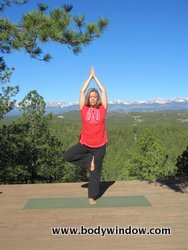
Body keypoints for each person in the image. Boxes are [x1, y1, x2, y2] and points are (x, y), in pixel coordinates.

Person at [63, 67, 108, 205]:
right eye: (91, 97)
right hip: (85, 143)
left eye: (95, 97)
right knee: (67, 156)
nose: (93, 98)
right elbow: (82, 91)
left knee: (95, 172)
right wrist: (90, 77)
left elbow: (104, 91)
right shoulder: (84, 108)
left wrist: (97, 78)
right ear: (89, 98)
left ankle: (92, 196)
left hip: (100, 146)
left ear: (98, 98)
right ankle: (90, 161)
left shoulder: (102, 109)